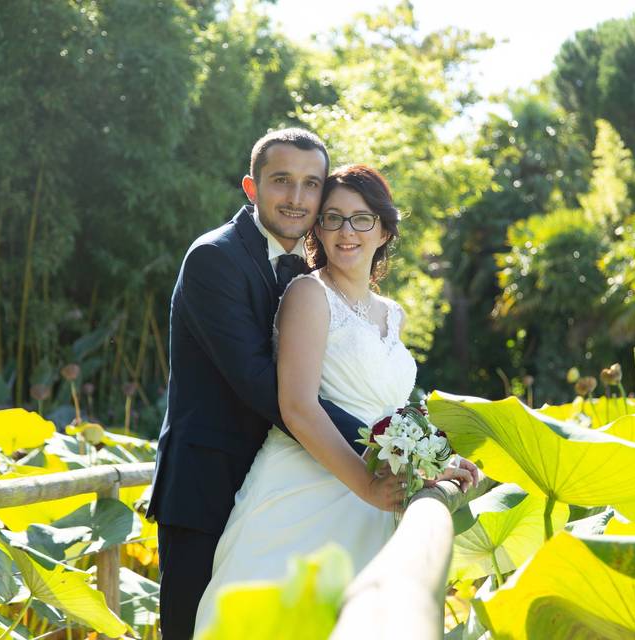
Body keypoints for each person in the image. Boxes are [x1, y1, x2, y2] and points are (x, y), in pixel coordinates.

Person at [192, 164, 475, 634]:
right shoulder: (308, 294)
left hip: (376, 495)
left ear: (384, 229)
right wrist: (365, 484)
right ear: (317, 229)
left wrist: (435, 461)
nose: (347, 232)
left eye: (361, 219)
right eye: (333, 218)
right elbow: (298, 407)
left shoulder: (392, 312)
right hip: (306, 488)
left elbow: (394, 415)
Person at [147, 129, 377, 639]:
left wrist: (416, 438)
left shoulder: (311, 272)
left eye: (310, 184)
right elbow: (260, 382)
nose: (297, 198)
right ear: (252, 188)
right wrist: (385, 443)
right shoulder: (214, 258)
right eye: (282, 181)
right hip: (208, 485)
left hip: (281, 487)